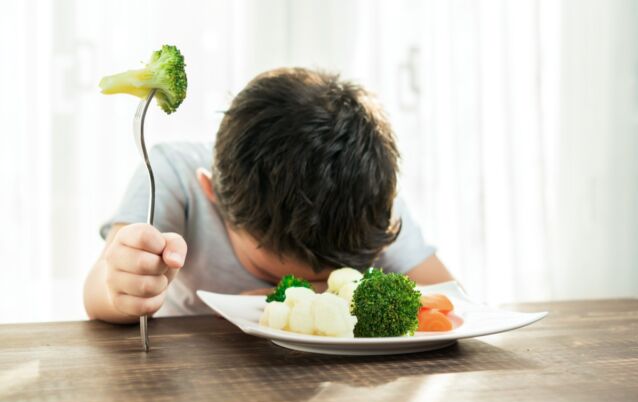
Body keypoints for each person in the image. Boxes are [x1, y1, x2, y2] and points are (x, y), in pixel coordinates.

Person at [83, 68, 453, 324]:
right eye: (270, 276)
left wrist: (329, 297)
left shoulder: (367, 201)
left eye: (327, 276)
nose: (292, 292)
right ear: (211, 191)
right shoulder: (172, 176)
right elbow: (98, 292)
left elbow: (447, 299)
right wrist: (121, 286)